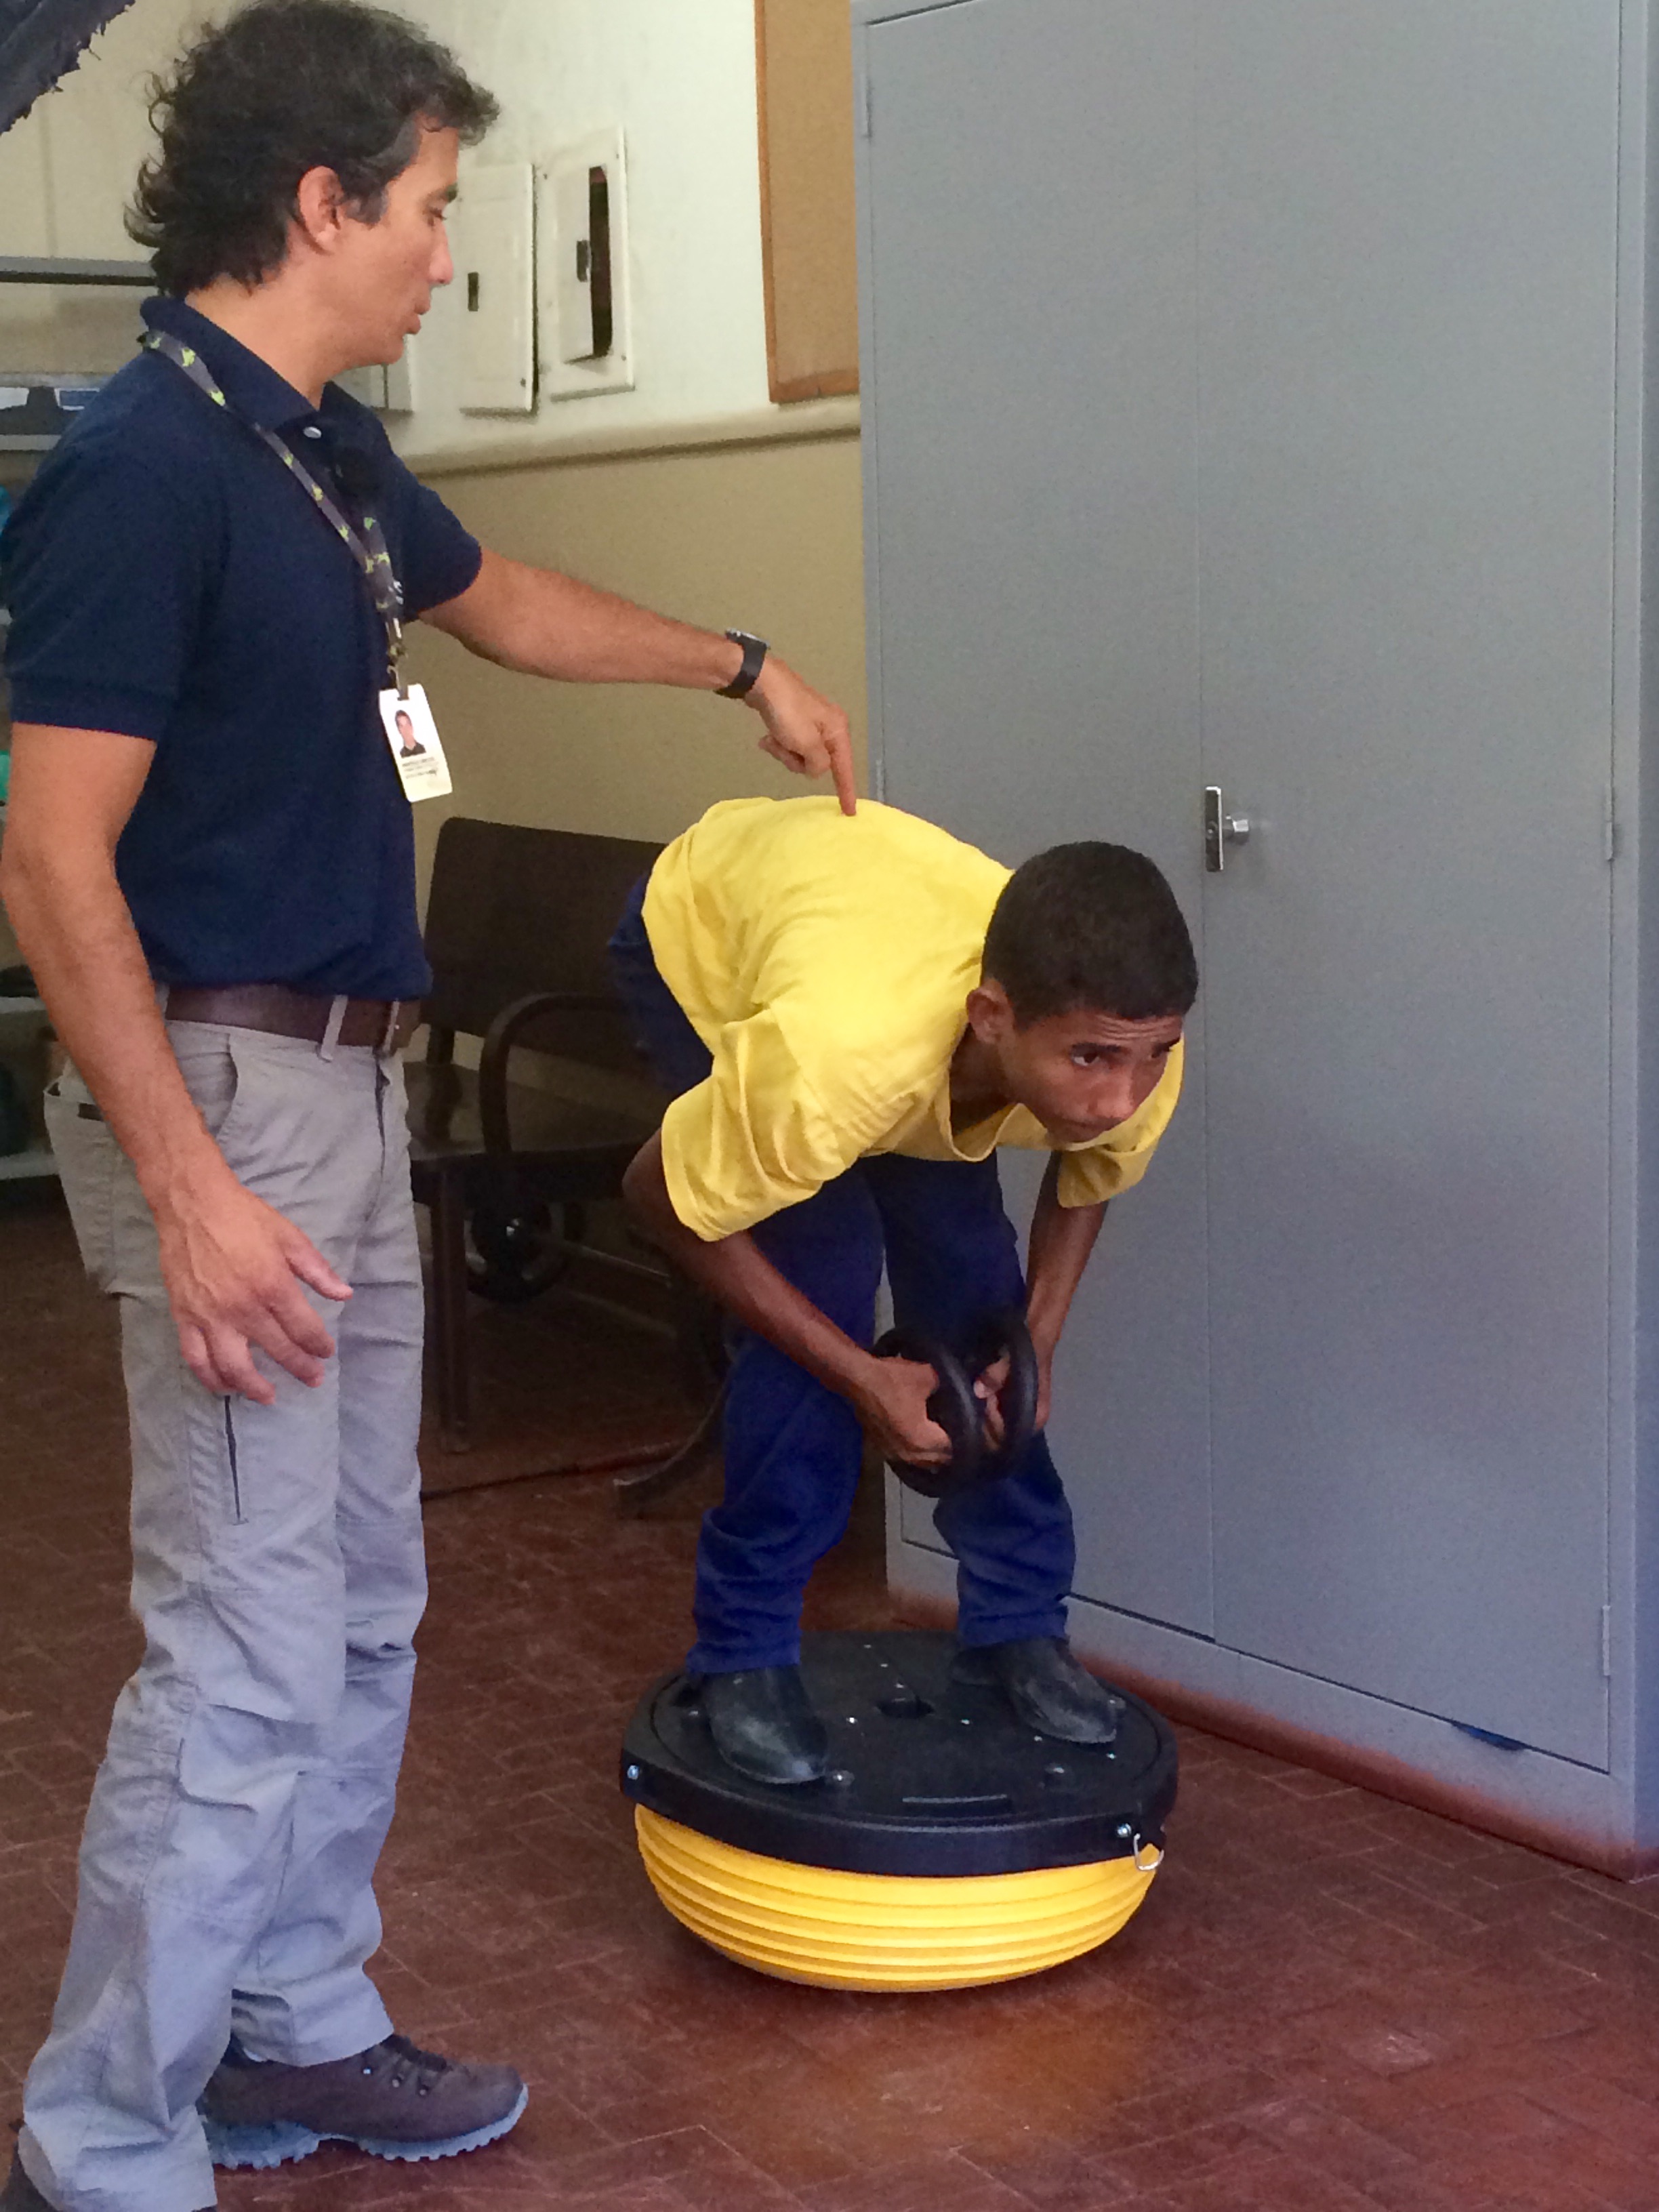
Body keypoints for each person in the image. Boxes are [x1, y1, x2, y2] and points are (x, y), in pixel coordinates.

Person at [0, 5, 854, 2209]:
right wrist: (184, 1187)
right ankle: (106, 2138)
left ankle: (295, 2022)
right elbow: (48, 856)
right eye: (435, 205)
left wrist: (738, 667)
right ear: (321, 203)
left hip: (352, 1084)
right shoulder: (140, 466)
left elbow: (507, 612)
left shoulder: (313, 445)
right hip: (223, 1091)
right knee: (245, 1637)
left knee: (367, 1596)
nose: (447, 254)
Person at [612, 795, 1195, 1787]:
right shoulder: (833, 1062)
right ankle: (742, 1653)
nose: (1118, 1100)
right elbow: (658, 1201)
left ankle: (1017, 1626)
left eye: (1149, 1061)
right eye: (1091, 1060)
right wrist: (856, 1378)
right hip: (709, 927)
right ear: (994, 1019)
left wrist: (1037, 1344)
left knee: (975, 1290)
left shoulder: (1133, 1052)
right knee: (822, 1266)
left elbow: (1089, 1174)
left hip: (883, 973)